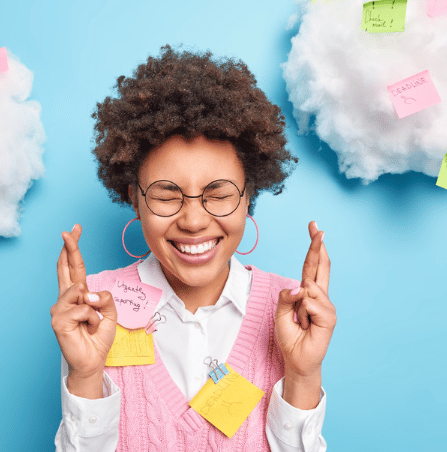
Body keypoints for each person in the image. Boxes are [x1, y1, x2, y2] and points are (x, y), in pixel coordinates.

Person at [52, 45, 336, 451]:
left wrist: (304, 374)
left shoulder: (292, 311)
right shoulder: (92, 308)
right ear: (135, 198)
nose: (193, 220)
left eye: (218, 194)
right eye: (167, 194)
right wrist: (84, 374)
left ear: (248, 195)